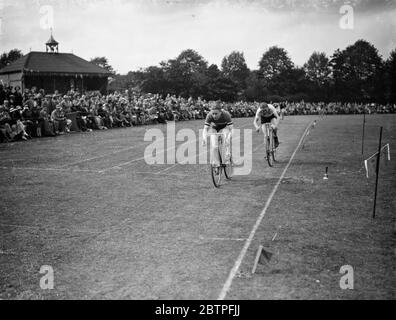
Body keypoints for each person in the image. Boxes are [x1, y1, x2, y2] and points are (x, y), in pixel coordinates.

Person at [202, 103, 233, 171]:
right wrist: (204, 138)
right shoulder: (209, 115)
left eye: (216, 113)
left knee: (225, 141)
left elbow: (231, 129)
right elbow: (205, 129)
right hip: (214, 128)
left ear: (221, 112)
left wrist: (228, 138)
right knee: (214, 146)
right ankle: (216, 164)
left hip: (225, 127)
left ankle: (227, 155)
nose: (214, 115)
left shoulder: (226, 114)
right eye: (213, 113)